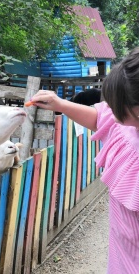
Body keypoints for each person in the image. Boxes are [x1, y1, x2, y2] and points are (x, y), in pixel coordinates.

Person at [27, 47, 139, 273]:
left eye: (117, 104)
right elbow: (101, 118)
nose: (111, 108)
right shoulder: (126, 128)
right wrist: (59, 104)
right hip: (121, 256)